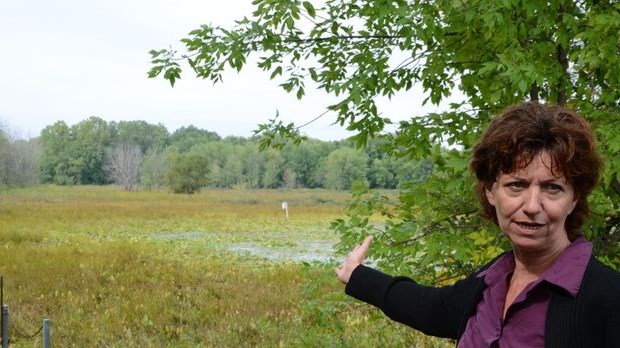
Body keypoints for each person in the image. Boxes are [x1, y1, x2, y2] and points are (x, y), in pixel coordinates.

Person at [335, 102, 620, 347]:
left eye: (552, 188)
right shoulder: (493, 278)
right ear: (490, 191)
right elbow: (432, 308)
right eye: (516, 185)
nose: (532, 206)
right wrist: (358, 276)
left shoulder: (607, 296)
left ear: (574, 199)